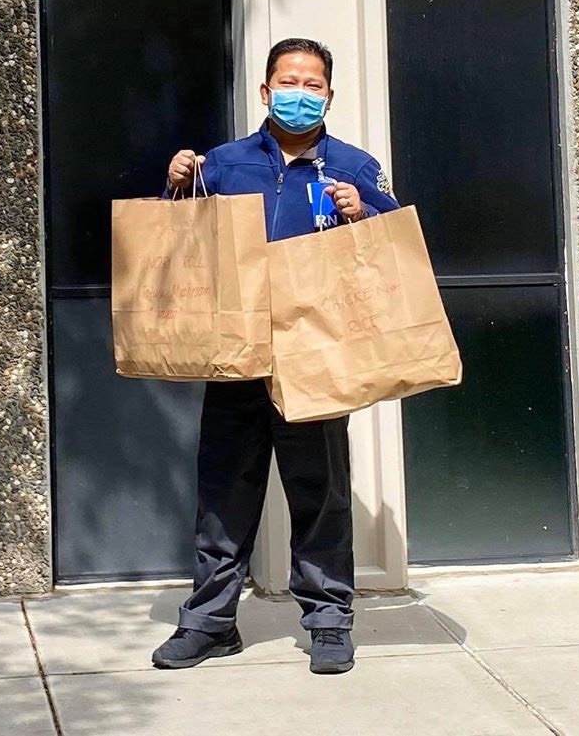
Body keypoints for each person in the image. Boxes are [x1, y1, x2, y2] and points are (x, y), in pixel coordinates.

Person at [150, 37, 399, 677]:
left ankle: (328, 621)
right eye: (287, 82)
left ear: (330, 95)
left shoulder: (355, 165)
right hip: (237, 352)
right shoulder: (226, 163)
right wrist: (178, 188)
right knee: (224, 492)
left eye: (312, 84)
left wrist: (362, 209)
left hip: (315, 352)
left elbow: (392, 245)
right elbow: (184, 248)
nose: (299, 94)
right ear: (265, 92)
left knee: (319, 491)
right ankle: (209, 623)